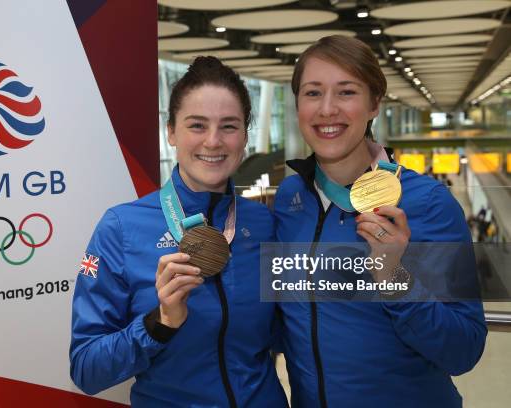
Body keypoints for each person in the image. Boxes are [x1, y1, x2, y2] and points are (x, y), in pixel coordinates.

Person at [274, 35, 486, 408]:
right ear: (297, 106)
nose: (327, 109)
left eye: (346, 92)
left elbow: (463, 350)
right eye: (312, 93)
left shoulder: (429, 204)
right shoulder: (290, 199)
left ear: (374, 104)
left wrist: (395, 279)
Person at [70, 56, 288, 407]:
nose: (213, 141)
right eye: (197, 125)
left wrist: (396, 271)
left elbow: (293, 332)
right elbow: (87, 370)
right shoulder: (122, 228)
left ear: (245, 136)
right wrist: (159, 323)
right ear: (171, 131)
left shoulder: (263, 224)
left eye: (229, 126)